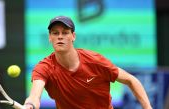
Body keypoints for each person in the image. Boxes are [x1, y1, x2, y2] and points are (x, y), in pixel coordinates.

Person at [24, 16, 152, 109]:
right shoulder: (44, 67)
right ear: (50, 38)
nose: (60, 37)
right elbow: (35, 95)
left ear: (73, 36)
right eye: (55, 33)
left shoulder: (95, 61)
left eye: (65, 33)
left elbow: (131, 80)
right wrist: (30, 105)